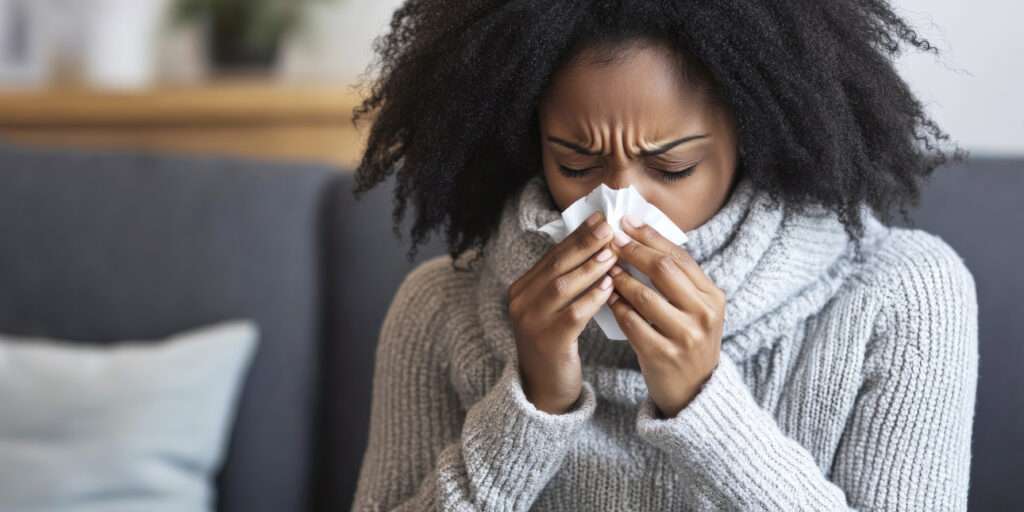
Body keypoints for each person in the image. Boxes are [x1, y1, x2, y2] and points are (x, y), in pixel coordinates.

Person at [349, 1, 978, 510]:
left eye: (672, 166)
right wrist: (532, 408)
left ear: (755, 134)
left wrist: (706, 409)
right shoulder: (439, 308)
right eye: (575, 163)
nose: (618, 202)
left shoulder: (902, 297)